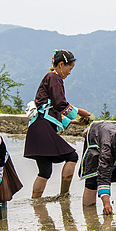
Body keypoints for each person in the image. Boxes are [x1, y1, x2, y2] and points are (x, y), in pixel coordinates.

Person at [24, 50, 92, 198]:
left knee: (44, 171)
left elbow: (51, 108)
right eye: (70, 68)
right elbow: (60, 104)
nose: (69, 73)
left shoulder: (50, 77)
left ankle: (36, 204)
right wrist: (80, 112)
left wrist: (72, 121)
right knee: (72, 156)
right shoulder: (54, 78)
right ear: (61, 65)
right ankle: (64, 196)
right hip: (42, 127)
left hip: (36, 128)